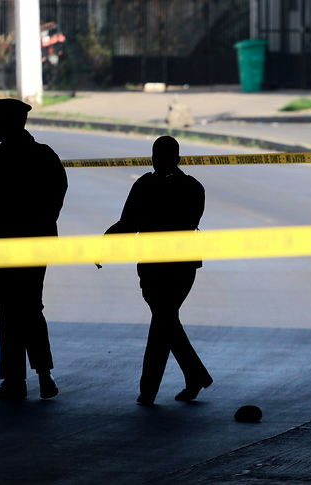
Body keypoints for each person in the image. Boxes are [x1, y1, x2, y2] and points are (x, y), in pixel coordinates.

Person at [100, 135, 212, 405]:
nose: (158, 160)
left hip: (178, 266)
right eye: (155, 155)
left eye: (164, 155)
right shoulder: (148, 185)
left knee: (163, 320)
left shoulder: (190, 188)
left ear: (177, 159)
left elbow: (183, 222)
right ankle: (191, 377)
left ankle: (151, 388)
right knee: (165, 321)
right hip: (152, 267)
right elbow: (128, 223)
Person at [0, 96, 68, 400]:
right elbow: (58, 193)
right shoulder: (45, 155)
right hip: (38, 244)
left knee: (10, 313)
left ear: (11, 123)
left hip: (8, 244)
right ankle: (44, 376)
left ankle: (16, 381)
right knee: (31, 308)